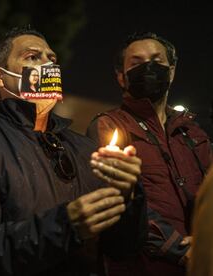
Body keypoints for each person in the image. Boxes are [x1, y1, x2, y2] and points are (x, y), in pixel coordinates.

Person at [0, 26, 147, 276]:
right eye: (32, 57)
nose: (47, 65)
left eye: (51, 58)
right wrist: (65, 225)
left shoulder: (85, 148)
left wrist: (129, 196)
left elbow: (122, 249)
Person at [87, 32, 211, 276]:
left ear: (172, 71)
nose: (149, 68)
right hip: (143, 267)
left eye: (157, 61)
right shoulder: (110, 127)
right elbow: (121, 200)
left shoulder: (193, 133)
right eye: (137, 63)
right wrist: (180, 248)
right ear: (121, 77)